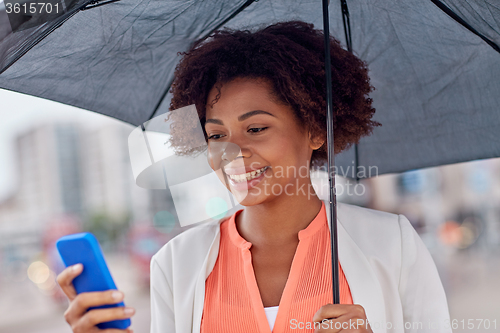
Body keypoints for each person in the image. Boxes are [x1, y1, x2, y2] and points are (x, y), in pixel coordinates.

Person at [57, 21, 451, 333]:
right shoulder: (176, 264)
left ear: (316, 129)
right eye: (215, 135)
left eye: (257, 128)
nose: (233, 151)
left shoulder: (393, 245)